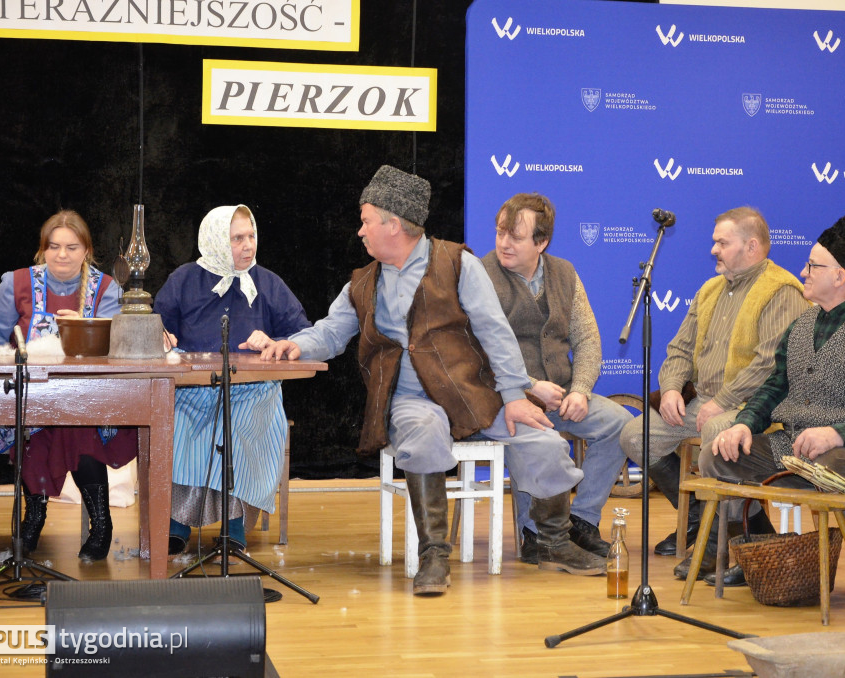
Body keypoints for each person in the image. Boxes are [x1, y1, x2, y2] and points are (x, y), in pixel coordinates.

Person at [257, 165, 606, 595]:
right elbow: (330, 331)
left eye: (366, 220)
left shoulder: (459, 263)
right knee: (422, 435)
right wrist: (295, 345)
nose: (360, 231)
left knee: (544, 441)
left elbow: (495, 330)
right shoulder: (364, 282)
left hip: (470, 393)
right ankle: (435, 554)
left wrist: (516, 395)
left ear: (393, 224)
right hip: (410, 399)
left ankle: (554, 541)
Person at [710, 215, 845, 605]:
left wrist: (835, 433)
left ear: (840, 276)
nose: (802, 271)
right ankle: (769, 555)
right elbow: (773, 388)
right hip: (797, 445)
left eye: (812, 266)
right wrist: (744, 424)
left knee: (836, 463)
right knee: (718, 455)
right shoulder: (801, 325)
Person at [619, 206, 808, 580]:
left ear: (751, 246)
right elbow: (680, 349)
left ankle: (718, 542)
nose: (713, 250)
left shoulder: (782, 291)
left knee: (715, 433)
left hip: (755, 406)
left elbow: (770, 364)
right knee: (633, 436)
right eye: (714, 242)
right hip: (702, 398)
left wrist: (722, 402)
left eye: (722, 242)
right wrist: (672, 387)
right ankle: (696, 521)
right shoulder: (709, 290)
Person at [481, 192, 632, 562]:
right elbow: (476, 350)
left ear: (542, 242)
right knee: (538, 436)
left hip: (561, 392)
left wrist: (579, 391)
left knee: (621, 425)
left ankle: (580, 521)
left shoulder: (565, 273)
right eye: (500, 232)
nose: (503, 243)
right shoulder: (480, 275)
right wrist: (528, 386)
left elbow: (588, 339)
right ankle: (534, 534)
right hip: (503, 395)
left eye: (515, 237)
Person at [154, 205, 310, 556]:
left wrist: (275, 343)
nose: (248, 245)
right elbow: (155, 324)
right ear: (215, 240)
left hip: (252, 391)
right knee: (176, 423)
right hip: (193, 390)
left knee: (238, 424)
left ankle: (234, 526)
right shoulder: (184, 279)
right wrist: (162, 337)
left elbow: (303, 336)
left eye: (251, 236)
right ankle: (176, 522)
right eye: (237, 238)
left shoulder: (268, 283)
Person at [0, 210, 136, 561]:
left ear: (86, 250)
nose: (62, 255)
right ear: (43, 250)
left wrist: (86, 327)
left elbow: (120, 345)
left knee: (74, 423)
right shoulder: (17, 283)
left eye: (71, 247)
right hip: (27, 397)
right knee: (35, 426)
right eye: (54, 247)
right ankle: (36, 514)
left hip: (89, 400)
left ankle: (98, 523)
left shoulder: (106, 288)